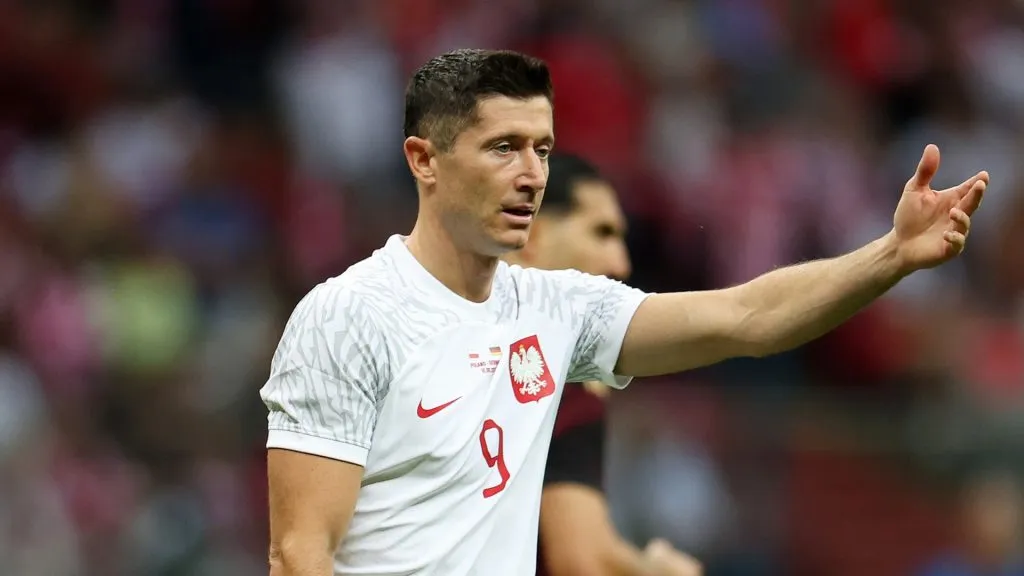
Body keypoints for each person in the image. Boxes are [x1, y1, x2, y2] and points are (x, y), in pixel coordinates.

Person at [261, 48, 988, 576]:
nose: (531, 175)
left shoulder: (556, 308)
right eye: (503, 148)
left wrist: (891, 255)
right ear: (424, 159)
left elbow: (747, 317)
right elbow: (299, 555)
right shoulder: (347, 317)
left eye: (542, 149)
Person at [504, 153, 701, 576]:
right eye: (602, 233)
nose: (620, 265)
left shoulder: (428, 341)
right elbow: (582, 560)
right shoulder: (552, 379)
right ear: (531, 236)